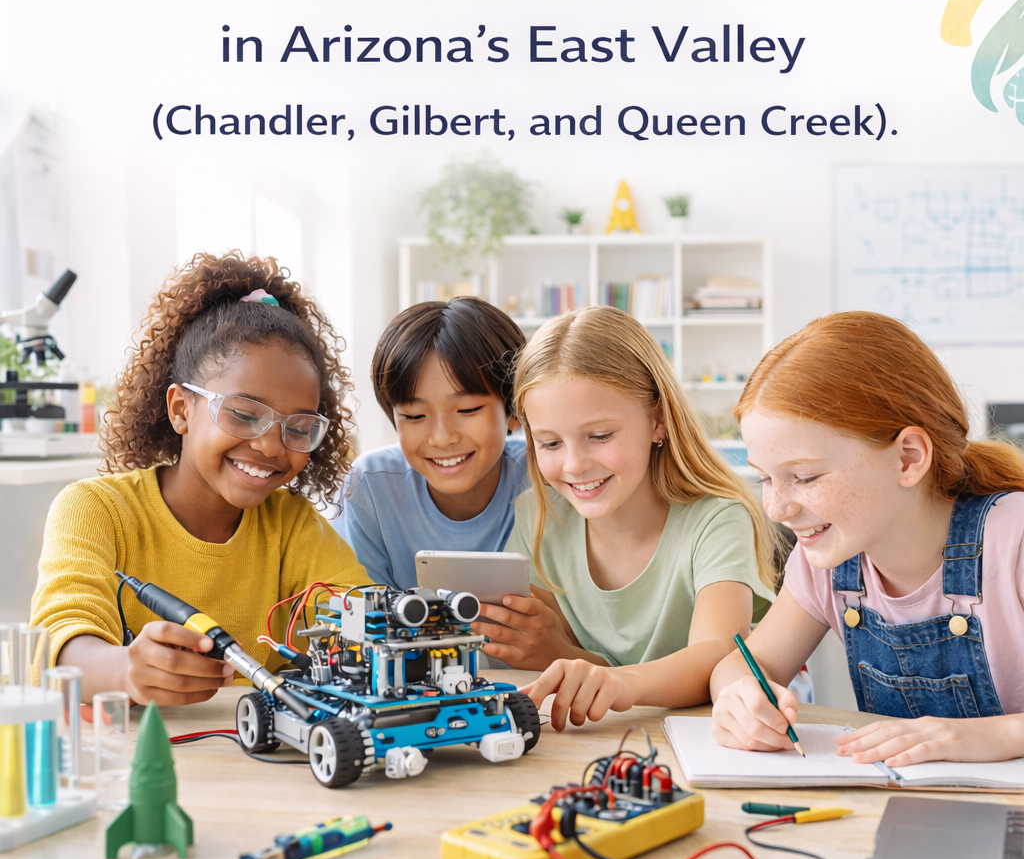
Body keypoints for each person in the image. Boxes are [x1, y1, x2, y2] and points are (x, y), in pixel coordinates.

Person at [31, 253, 368, 706]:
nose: (271, 446)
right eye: (245, 414)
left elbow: (363, 614)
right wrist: (125, 669)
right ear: (180, 409)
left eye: (300, 427)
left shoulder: (293, 528)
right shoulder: (95, 509)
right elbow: (56, 645)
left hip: (246, 765)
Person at [710, 312, 1024, 767]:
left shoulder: (1013, 539)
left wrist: (992, 736)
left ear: (908, 458)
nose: (777, 509)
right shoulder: (826, 561)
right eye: (765, 479)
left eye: (804, 476)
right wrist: (739, 698)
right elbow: (741, 666)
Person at [489, 307, 781, 728]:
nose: (574, 465)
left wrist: (620, 684)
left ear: (658, 421)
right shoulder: (539, 515)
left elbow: (717, 653)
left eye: (600, 436)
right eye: (549, 442)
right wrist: (551, 651)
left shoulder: (716, 519)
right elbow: (584, 670)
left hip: (715, 735)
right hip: (610, 734)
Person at [337, 298, 528, 588]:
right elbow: (362, 615)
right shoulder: (370, 486)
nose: (441, 437)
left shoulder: (543, 475)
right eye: (415, 416)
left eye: (467, 410)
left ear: (513, 409)